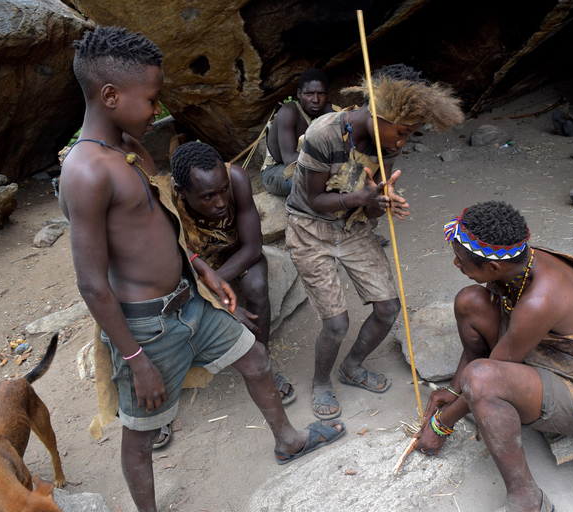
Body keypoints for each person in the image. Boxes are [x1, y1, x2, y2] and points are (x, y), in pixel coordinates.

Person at [58, 26, 344, 512]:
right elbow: (91, 283)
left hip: (189, 302)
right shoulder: (86, 172)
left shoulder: (128, 149)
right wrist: (135, 359)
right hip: (146, 327)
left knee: (255, 359)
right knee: (141, 434)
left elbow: (158, 224)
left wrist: (199, 267)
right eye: (152, 99)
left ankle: (288, 439)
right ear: (110, 95)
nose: (157, 111)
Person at [414, 201, 573, 512]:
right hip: (547, 357)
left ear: (493, 268)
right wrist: (453, 392)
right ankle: (469, 395)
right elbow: (498, 350)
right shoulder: (520, 260)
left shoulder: (540, 299)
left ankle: (527, 499)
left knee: (480, 380)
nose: (455, 263)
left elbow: (489, 372)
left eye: (461, 260)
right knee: (469, 301)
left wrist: (440, 425)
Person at [285, 64, 463, 420]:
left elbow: (370, 209)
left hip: (352, 227)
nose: (401, 142)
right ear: (378, 114)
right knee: (336, 324)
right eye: (402, 132)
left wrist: (381, 202)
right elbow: (314, 200)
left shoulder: (386, 145)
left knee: (387, 309)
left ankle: (352, 366)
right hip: (309, 229)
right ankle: (321, 382)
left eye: (410, 134)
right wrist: (360, 198)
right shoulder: (323, 133)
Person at [160, 140, 295, 405]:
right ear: (182, 191)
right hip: (193, 265)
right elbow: (174, 261)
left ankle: (261, 360)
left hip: (235, 253)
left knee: (256, 286)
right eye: (208, 196)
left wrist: (216, 284)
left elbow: (252, 248)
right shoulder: (167, 203)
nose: (221, 202)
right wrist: (209, 289)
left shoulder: (237, 179)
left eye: (223, 190)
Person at [261, 68, 337, 196]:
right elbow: (289, 159)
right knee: (310, 182)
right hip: (278, 170)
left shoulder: (328, 111)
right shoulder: (288, 113)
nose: (316, 100)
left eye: (321, 94)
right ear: (299, 94)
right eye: (309, 94)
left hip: (316, 167)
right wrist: (326, 162)